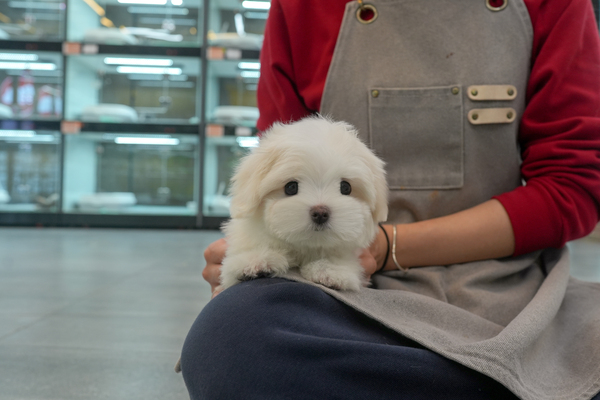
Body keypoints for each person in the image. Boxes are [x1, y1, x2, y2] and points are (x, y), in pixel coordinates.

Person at [181, 0, 600, 398]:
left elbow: (572, 187)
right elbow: (275, 165)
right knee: (229, 339)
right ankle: (510, 382)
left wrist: (385, 246)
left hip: (505, 287)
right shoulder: (300, 8)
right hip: (342, 298)